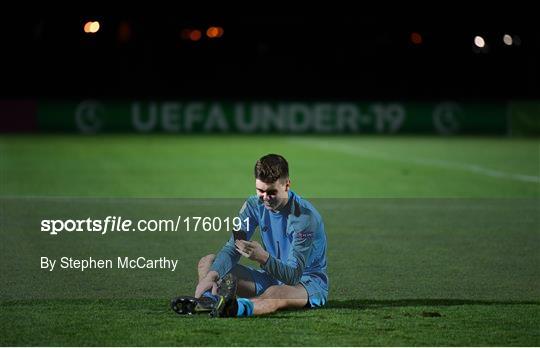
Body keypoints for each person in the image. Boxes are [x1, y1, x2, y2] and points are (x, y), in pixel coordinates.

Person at [171, 154, 328, 317]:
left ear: (287, 185)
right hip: (271, 276)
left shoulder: (304, 217)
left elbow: (293, 277)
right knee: (209, 262)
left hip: (306, 284)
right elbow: (233, 247)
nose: (265, 198)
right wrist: (212, 276)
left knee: (276, 293)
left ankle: (233, 309)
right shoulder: (253, 205)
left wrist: (263, 258)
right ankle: (208, 301)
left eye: (272, 192)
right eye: (260, 191)